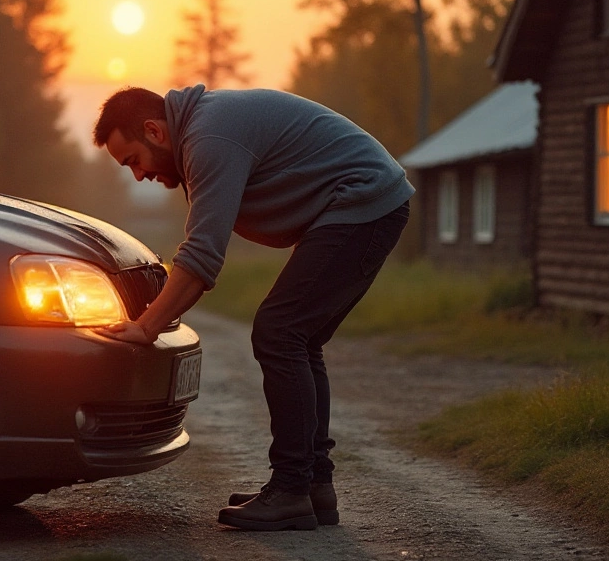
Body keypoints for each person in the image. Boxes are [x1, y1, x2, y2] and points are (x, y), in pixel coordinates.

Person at [91, 84, 413, 532]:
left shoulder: (208, 138)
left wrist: (145, 329)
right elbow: (197, 250)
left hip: (363, 199)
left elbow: (202, 258)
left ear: (153, 130)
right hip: (365, 203)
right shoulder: (203, 132)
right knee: (298, 337)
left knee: (279, 331)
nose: (139, 176)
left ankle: (291, 491)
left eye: (133, 161)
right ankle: (312, 486)